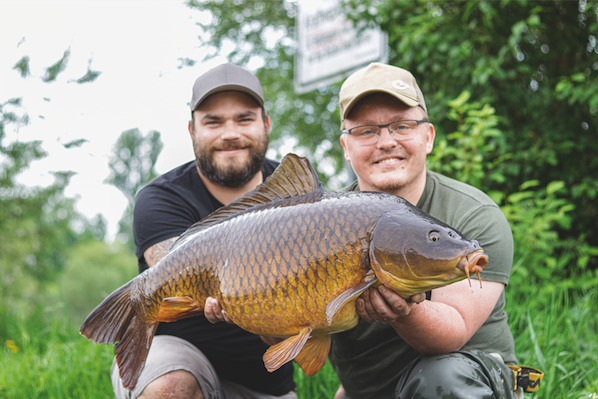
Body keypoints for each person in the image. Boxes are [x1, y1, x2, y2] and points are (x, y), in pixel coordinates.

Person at [330, 62, 520, 398]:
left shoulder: (473, 216)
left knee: (442, 377)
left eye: (401, 126)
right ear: (346, 147)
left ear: (428, 137)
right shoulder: (320, 225)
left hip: (467, 382)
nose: (386, 142)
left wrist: (404, 312)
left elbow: (450, 333)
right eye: (367, 131)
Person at [111, 63, 296, 399]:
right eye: (213, 121)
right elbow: (173, 271)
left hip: (266, 382)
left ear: (265, 124)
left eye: (244, 119)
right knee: (170, 387)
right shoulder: (161, 197)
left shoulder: (298, 195)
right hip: (180, 365)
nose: (230, 133)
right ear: (192, 130)